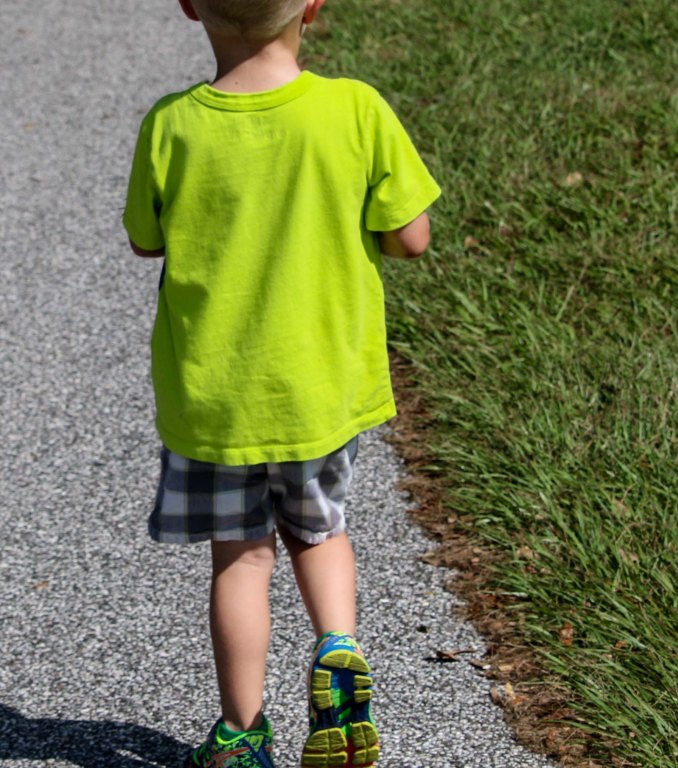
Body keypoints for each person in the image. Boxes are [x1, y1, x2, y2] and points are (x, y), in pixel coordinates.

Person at [121, 0, 439, 764]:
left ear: (190, 5)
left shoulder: (172, 125)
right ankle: (337, 651)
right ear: (314, 5)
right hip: (318, 392)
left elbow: (145, 239)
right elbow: (411, 237)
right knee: (319, 533)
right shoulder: (354, 110)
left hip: (217, 401)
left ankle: (240, 736)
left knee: (241, 558)